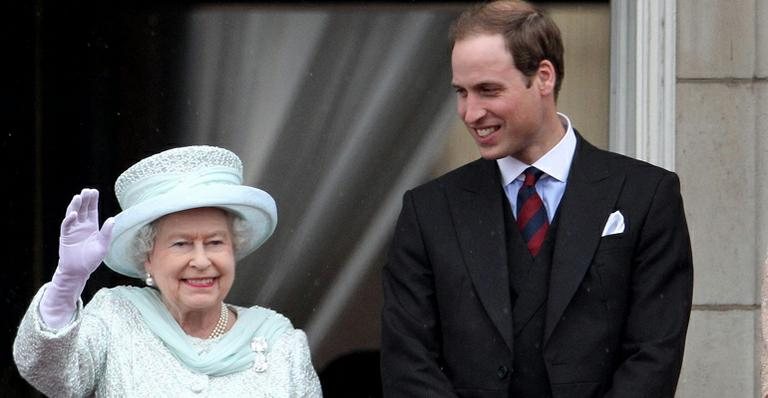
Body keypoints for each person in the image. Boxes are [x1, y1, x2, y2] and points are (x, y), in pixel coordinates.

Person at [380, 1, 694, 397]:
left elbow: (654, 354)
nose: (470, 112)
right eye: (461, 92)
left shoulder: (645, 196)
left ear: (543, 77)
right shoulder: (428, 211)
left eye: (488, 90)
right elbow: (408, 363)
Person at [13, 145, 322, 397]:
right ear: (147, 257)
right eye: (181, 244)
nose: (201, 261)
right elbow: (52, 376)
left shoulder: (281, 344)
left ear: (233, 249)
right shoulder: (116, 318)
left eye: (215, 242)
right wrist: (67, 283)